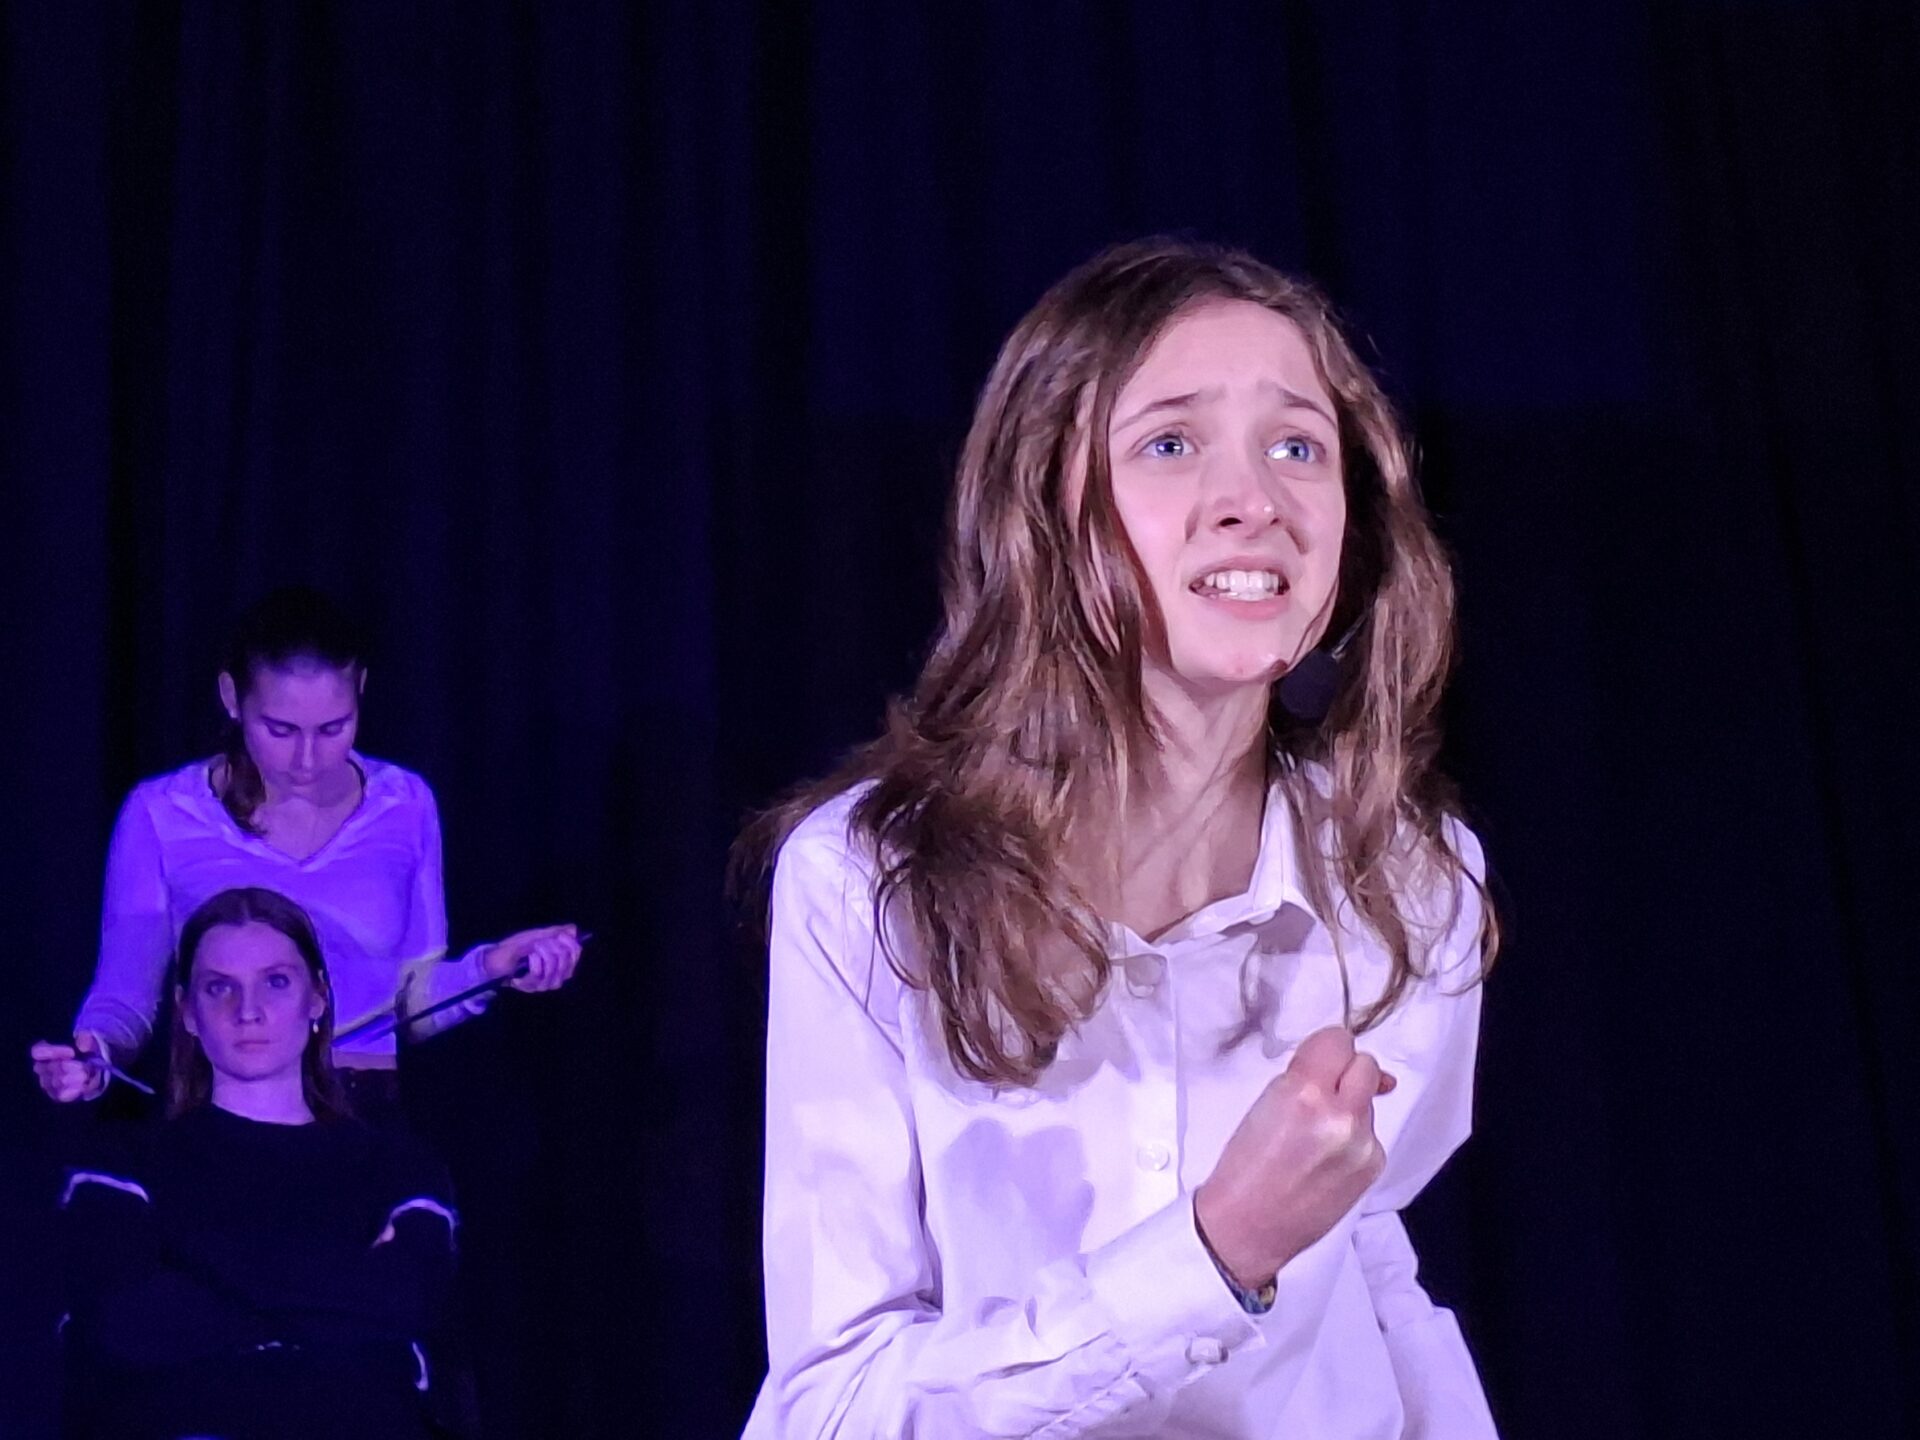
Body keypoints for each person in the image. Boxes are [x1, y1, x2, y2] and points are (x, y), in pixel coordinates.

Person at [737, 239, 1502, 1438]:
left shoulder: (1412, 882)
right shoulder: (870, 884)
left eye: (1298, 446)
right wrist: (1214, 1251)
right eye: (1172, 443)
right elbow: (833, 1409)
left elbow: (1369, 1262)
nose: (1256, 500)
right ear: (1046, 504)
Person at [29, 586, 582, 1118]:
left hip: (361, 1112)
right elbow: (126, 993)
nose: (307, 759)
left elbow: (413, 1002)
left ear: (360, 689)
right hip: (218, 1114)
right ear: (232, 698)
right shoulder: (163, 813)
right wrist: (94, 1056)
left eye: (334, 728)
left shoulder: (404, 803)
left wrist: (492, 968)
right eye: (280, 730)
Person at [58, 887, 458, 1439]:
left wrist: (196, 1264)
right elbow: (126, 1328)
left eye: (276, 982)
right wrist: (344, 1290)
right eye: (219, 986)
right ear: (187, 1011)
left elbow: (406, 1300)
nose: (248, 1011)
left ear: (317, 998)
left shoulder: (399, 1166)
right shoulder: (122, 1162)